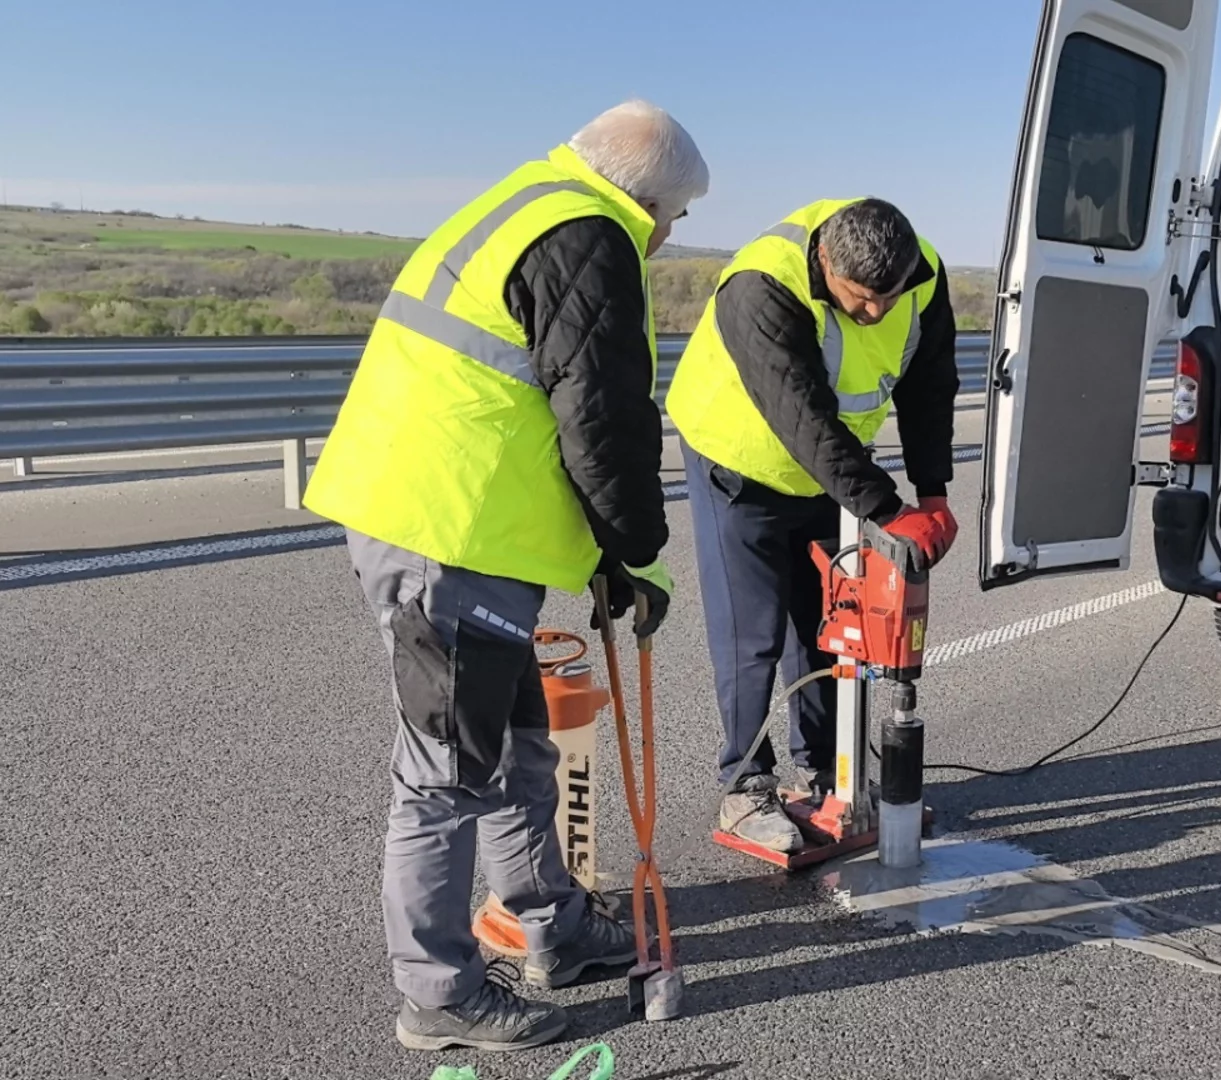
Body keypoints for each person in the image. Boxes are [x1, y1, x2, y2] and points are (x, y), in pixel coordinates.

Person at [301, 100, 707, 1053]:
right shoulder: (589, 232)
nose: (668, 237)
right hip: (450, 535)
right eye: (676, 219)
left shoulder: (529, 198)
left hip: (454, 522)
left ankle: (552, 926)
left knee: (521, 742)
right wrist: (633, 556)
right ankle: (437, 994)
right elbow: (601, 418)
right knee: (445, 773)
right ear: (647, 200)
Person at [665, 198, 959, 853]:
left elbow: (929, 386)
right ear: (825, 261)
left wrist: (933, 492)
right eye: (861, 299)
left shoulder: (924, 276)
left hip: (832, 476)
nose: (876, 313)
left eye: (888, 296)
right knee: (754, 636)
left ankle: (831, 773)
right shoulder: (763, 285)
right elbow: (803, 420)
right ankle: (745, 788)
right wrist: (890, 509)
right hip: (737, 466)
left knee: (828, 627)